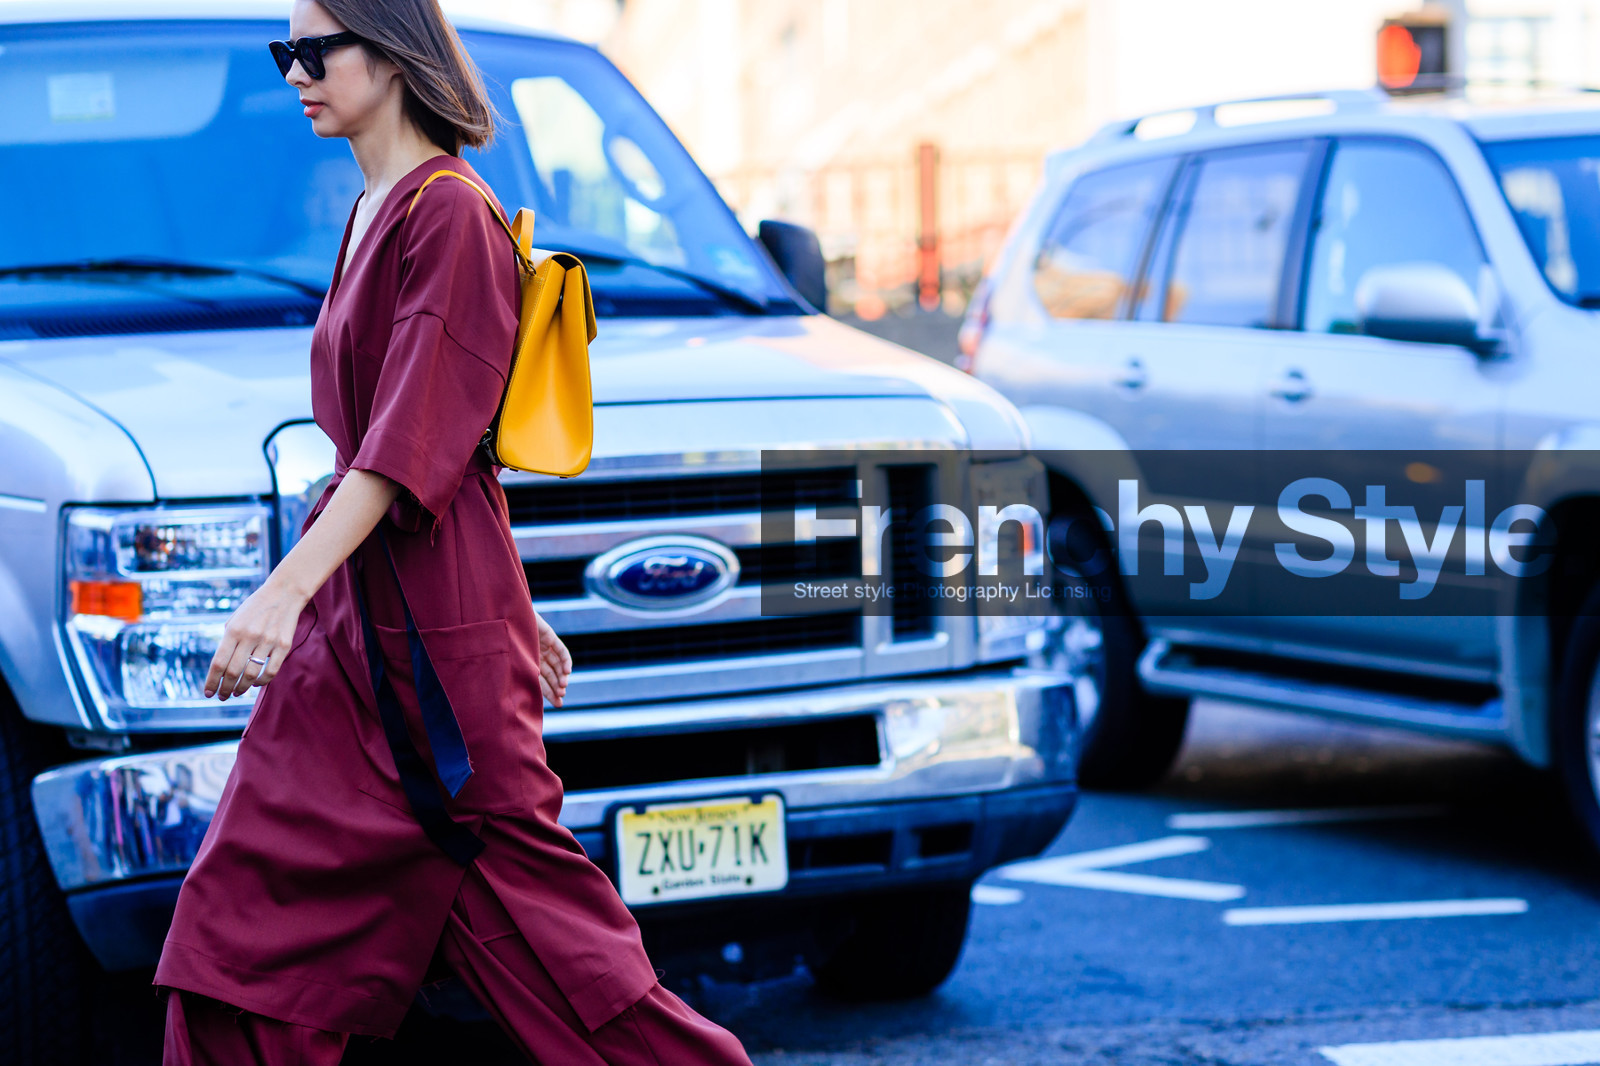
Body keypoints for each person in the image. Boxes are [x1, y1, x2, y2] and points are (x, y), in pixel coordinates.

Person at [151, 3, 757, 1063]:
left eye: (314, 50)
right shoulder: (372, 208)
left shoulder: (450, 215)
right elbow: (436, 447)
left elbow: (412, 442)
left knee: (566, 974)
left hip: (418, 653)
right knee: (240, 942)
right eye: (283, 51)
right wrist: (514, 612)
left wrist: (280, 593)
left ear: (391, 50)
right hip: (365, 642)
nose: (294, 72)